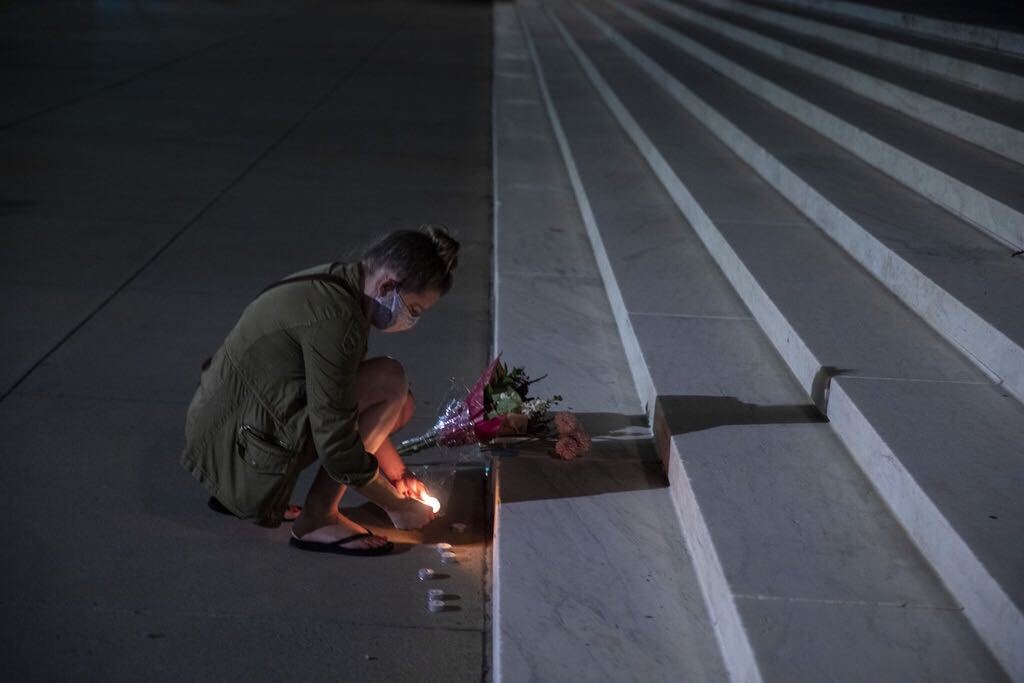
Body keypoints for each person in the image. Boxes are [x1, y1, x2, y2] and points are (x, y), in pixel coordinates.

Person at [180, 225, 460, 556]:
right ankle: (318, 518)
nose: (410, 321)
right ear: (388, 285)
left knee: (400, 402)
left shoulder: (340, 281)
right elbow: (338, 441)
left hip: (222, 437)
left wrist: (398, 477)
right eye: (414, 310)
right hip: (237, 451)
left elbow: (344, 401)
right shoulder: (337, 319)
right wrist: (395, 506)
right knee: (390, 381)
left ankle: (246, 490)